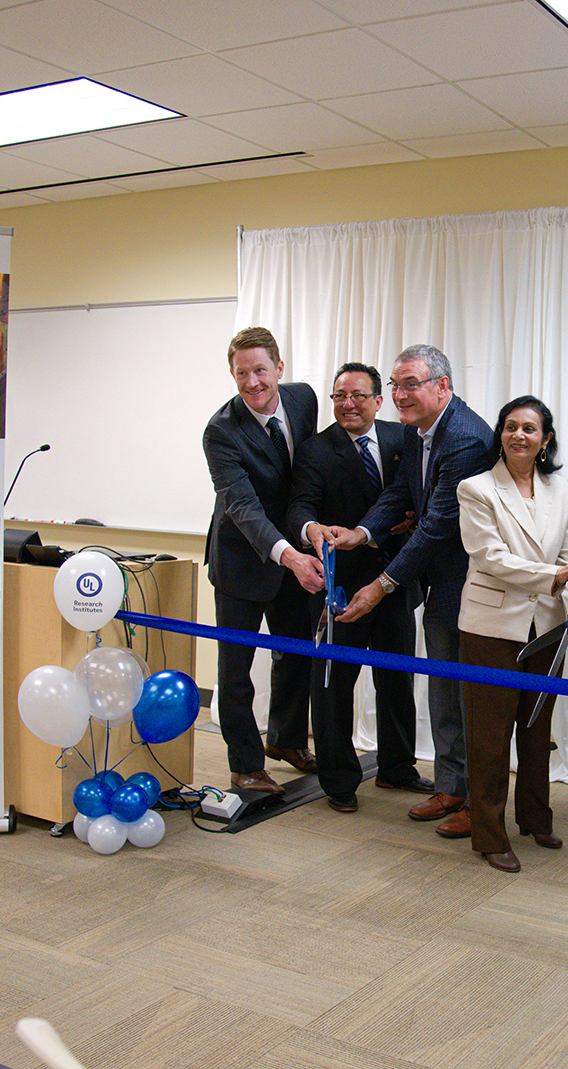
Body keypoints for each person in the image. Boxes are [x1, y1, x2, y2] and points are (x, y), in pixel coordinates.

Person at [325, 345, 494, 833]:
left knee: (470, 696)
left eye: (410, 384)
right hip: (440, 585)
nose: (400, 395)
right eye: (396, 385)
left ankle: (476, 801)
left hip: (471, 587)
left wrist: (380, 585)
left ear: (443, 386)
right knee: (442, 689)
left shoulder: (464, 439)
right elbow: (400, 492)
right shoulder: (417, 431)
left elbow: (438, 525)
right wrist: (362, 533)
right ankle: (450, 787)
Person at [288, 363, 432, 812]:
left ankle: (397, 767)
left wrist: (412, 517)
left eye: (357, 396)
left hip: (394, 582)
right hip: (340, 588)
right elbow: (299, 508)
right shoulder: (315, 450)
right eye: (338, 397)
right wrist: (313, 530)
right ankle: (339, 781)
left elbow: (418, 493)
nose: (346, 404)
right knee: (333, 686)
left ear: (378, 399)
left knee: (396, 679)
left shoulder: (402, 437)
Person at [453, 396, 568, 872]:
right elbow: (489, 557)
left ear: (545, 439)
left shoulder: (561, 489)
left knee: (536, 726)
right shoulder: (477, 488)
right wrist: (555, 577)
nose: (518, 435)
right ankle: (489, 834)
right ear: (500, 435)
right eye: (510, 427)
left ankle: (535, 816)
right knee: (489, 736)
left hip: (547, 625)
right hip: (490, 627)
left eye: (529, 428)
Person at [202, 326, 324, 794]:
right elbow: (243, 507)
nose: (252, 383)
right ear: (231, 375)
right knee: (236, 670)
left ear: (279, 369)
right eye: (241, 374)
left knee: (296, 654)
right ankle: (246, 765)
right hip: (242, 559)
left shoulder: (304, 400)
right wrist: (289, 555)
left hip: (297, 553)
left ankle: (287, 741)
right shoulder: (220, 431)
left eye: (260, 371)